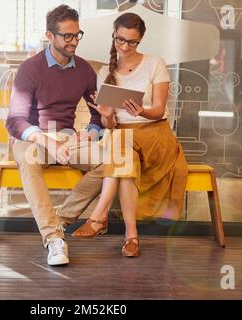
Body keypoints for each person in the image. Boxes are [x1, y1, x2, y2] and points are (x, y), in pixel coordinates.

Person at [70, 13, 189, 257]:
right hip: (123, 139)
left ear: (140, 40)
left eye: (131, 42)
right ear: (113, 36)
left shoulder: (155, 63)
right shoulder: (105, 73)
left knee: (121, 149)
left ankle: (98, 216)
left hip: (155, 136)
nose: (124, 47)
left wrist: (142, 111)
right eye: (120, 40)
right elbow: (110, 124)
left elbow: (159, 110)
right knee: (123, 152)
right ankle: (131, 237)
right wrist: (106, 114)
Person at [7, 5, 113, 266]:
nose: (73, 41)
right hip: (32, 138)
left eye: (77, 35)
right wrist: (46, 141)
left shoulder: (85, 70)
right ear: (49, 35)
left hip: (67, 136)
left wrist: (92, 132)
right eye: (67, 36)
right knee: (30, 160)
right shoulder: (30, 69)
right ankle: (54, 238)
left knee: (109, 163)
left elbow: (97, 114)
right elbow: (14, 121)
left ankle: (60, 220)